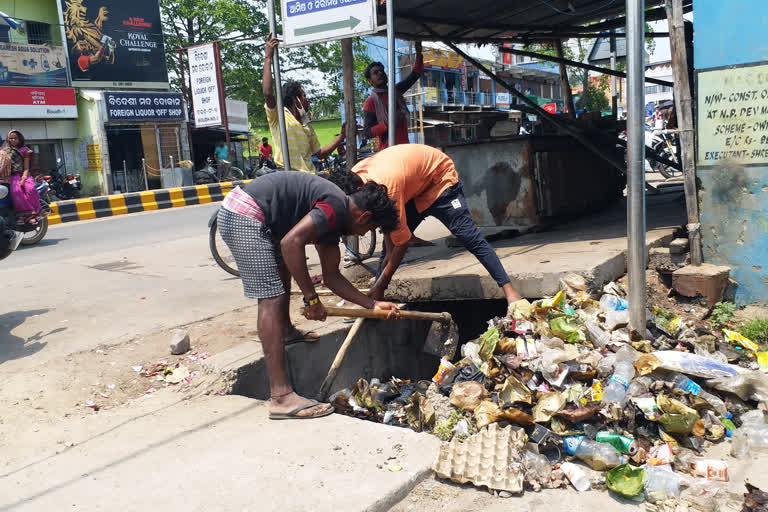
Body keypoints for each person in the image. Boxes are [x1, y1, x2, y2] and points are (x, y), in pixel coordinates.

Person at [217, 171, 401, 419]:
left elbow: (331, 276)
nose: (362, 235)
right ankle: (281, 397)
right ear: (365, 216)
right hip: (244, 215)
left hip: (254, 215)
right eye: (370, 228)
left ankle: (285, 331)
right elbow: (291, 243)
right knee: (270, 296)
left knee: (283, 269)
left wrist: (373, 304)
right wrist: (311, 300)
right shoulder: (335, 206)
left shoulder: (335, 219)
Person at [332, 144, 523, 304]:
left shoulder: (387, 189)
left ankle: (509, 291)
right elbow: (391, 241)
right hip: (413, 188)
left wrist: (383, 282)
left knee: (469, 236)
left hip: (439, 179)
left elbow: (401, 244)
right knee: (387, 245)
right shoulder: (351, 184)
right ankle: (377, 296)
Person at [262, 34, 345, 173]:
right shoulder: (279, 117)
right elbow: (267, 93)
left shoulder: (306, 123)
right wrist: (268, 57)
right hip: (289, 175)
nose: (308, 99)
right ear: (296, 99)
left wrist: (342, 136)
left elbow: (320, 153)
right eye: (304, 96)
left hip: (309, 177)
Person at [362, 41, 423, 151]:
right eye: (376, 73)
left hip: (404, 148)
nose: (380, 73)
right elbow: (366, 133)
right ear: (370, 81)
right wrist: (388, 122)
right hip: (387, 152)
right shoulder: (370, 102)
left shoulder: (396, 91)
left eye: (382, 71)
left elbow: (415, 75)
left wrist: (419, 54)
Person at [0, 130, 40, 225]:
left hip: (23, 174)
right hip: (12, 176)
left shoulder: (24, 150)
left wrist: (23, 178)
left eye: (15, 138)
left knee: (31, 189)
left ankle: (32, 214)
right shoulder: (5, 151)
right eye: (11, 138)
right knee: (16, 191)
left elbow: (26, 167)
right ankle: (21, 215)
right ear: (7, 139)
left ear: (19, 139)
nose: (13, 140)